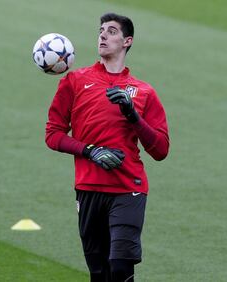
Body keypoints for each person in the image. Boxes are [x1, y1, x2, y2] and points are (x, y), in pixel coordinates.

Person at [45, 13, 170, 282]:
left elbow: (160, 150)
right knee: (99, 273)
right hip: (89, 188)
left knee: (121, 268)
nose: (102, 35)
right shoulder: (74, 82)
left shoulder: (143, 92)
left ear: (127, 41)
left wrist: (132, 114)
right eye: (101, 30)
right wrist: (90, 151)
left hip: (129, 188)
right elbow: (53, 135)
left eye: (111, 31)